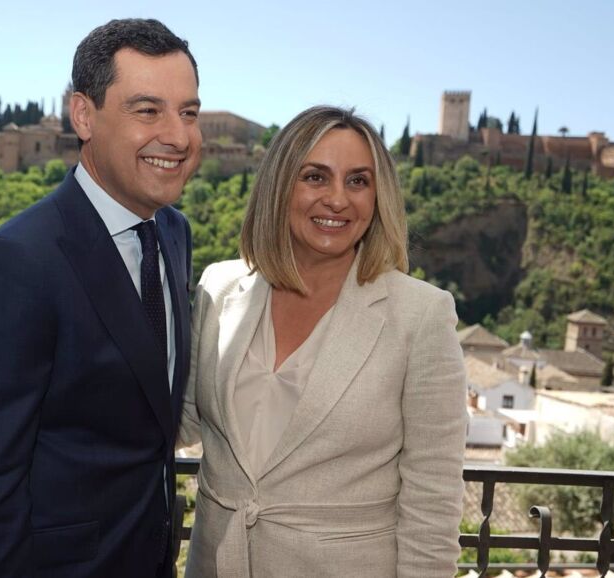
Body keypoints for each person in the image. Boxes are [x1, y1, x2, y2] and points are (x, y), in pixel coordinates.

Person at [0, 18, 201, 578]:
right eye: (148, 110)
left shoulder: (174, 235)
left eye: (189, 112)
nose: (178, 136)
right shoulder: (14, 264)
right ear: (83, 115)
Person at [179, 106, 467, 578]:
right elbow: (183, 417)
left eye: (358, 181)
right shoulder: (219, 287)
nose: (337, 199)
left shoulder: (421, 315)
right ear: (279, 186)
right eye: (315, 177)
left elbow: (433, 500)